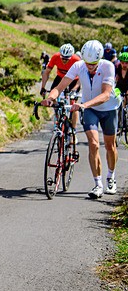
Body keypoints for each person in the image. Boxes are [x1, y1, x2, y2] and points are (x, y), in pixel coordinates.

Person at [42, 40, 121, 199]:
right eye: (87, 63)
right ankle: (98, 184)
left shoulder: (108, 66)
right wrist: (50, 98)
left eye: (93, 64)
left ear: (99, 59)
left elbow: (106, 94)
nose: (90, 66)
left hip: (108, 108)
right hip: (89, 109)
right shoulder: (79, 66)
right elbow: (59, 87)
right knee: (93, 144)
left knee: (110, 146)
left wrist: (83, 104)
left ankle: (110, 177)